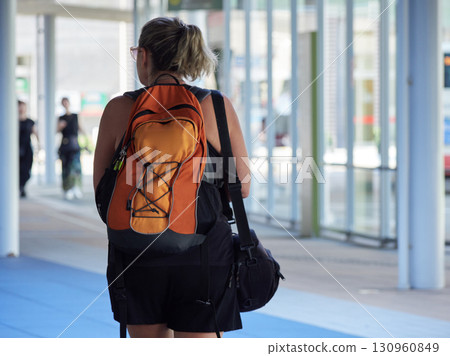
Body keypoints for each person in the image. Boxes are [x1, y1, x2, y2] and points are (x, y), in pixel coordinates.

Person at [93, 17, 250, 338]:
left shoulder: (119, 109)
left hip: (135, 246)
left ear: (145, 56)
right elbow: (242, 186)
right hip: (205, 250)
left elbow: (102, 191)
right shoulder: (216, 106)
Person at [57, 97, 84, 200]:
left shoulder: (76, 116)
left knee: (76, 167)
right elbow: (56, 131)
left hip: (74, 145)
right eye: (63, 102)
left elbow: (81, 128)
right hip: (64, 145)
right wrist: (60, 126)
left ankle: (76, 187)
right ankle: (67, 188)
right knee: (66, 167)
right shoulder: (60, 118)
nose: (65, 104)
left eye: (66, 102)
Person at [18, 100, 39, 197]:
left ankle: (22, 186)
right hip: (15, 150)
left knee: (27, 170)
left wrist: (39, 146)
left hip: (27, 149)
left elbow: (35, 133)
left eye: (23, 106)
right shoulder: (12, 121)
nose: (21, 109)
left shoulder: (30, 122)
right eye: (19, 106)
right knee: (17, 170)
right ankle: (19, 187)